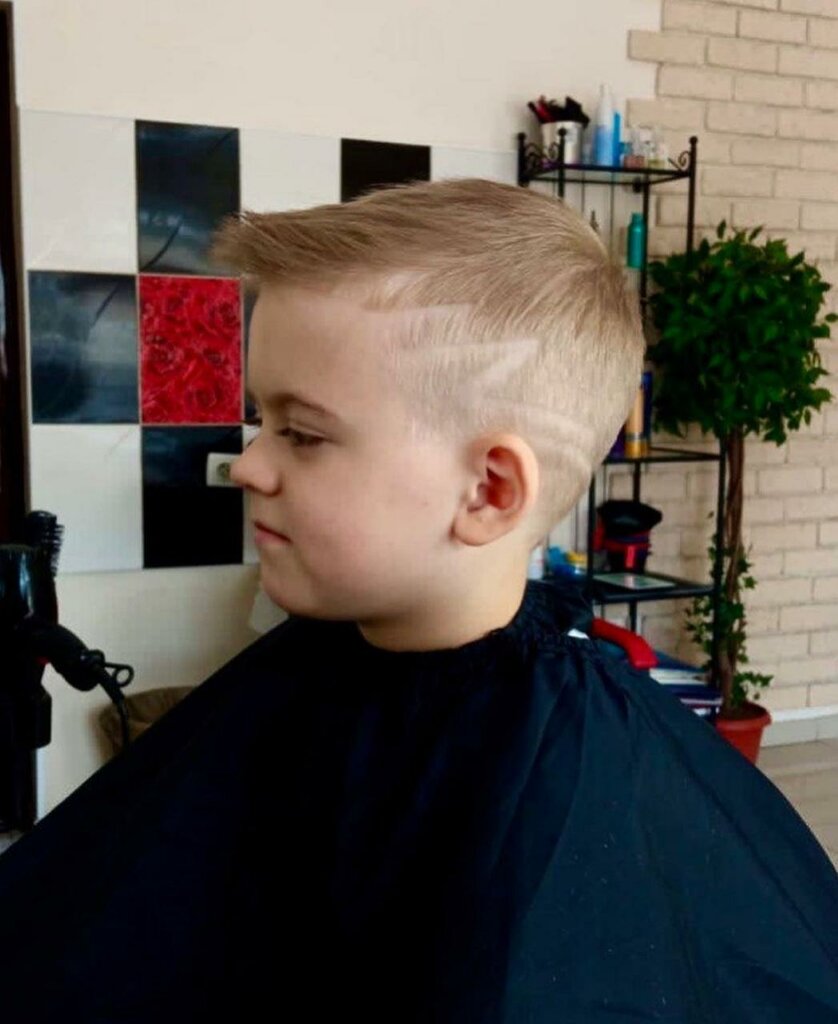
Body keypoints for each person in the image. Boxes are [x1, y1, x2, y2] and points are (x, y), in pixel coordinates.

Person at [0, 178, 836, 1022]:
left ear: (489, 491)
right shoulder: (297, 680)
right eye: (262, 419)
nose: (249, 464)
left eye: (302, 433)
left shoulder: (566, 787)